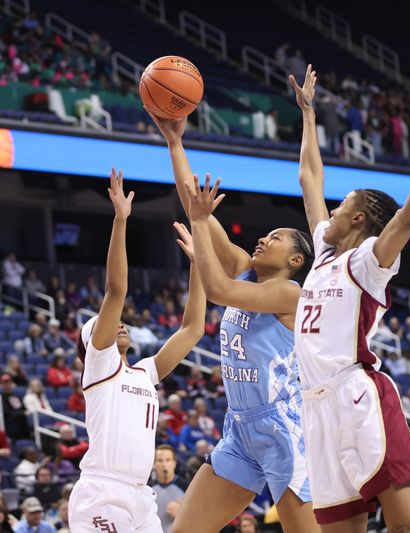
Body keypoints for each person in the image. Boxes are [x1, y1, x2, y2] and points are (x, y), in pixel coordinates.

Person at [288, 64, 410, 530]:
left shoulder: (366, 262)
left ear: (359, 220)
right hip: (314, 408)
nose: (331, 210)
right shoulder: (322, 249)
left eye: (342, 206)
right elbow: (308, 178)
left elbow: (405, 220)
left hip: (358, 397)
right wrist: (308, 114)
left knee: (405, 527)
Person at [150, 107, 317, 532]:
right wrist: (175, 142)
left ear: (295, 260)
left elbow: (219, 290)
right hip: (240, 428)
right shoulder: (244, 266)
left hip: (283, 429)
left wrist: (203, 227)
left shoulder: (288, 293)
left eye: (275, 238)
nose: (263, 238)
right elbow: (196, 207)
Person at [68, 169, 206, 533]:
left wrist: (199, 267)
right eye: (103, 325)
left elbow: (192, 331)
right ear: (91, 343)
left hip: (141, 495)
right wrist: (120, 221)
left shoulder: (145, 371)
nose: (119, 323)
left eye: (119, 321)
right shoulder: (100, 364)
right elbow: (116, 290)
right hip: (102, 490)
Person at [150, 445, 190, 533]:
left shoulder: (188, 487)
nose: (164, 464)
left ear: (174, 463)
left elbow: (199, 520)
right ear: (154, 464)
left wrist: (181, 516)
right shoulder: (147, 489)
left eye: (168, 460)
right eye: (160, 460)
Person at [0, 374, 30, 440]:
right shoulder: (0, 398)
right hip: (10, 421)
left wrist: (24, 412)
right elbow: (6, 413)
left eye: (9, 383)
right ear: (2, 385)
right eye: (5, 384)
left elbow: (22, 408)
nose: (7, 386)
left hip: (21, 420)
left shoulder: (16, 396)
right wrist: (21, 413)